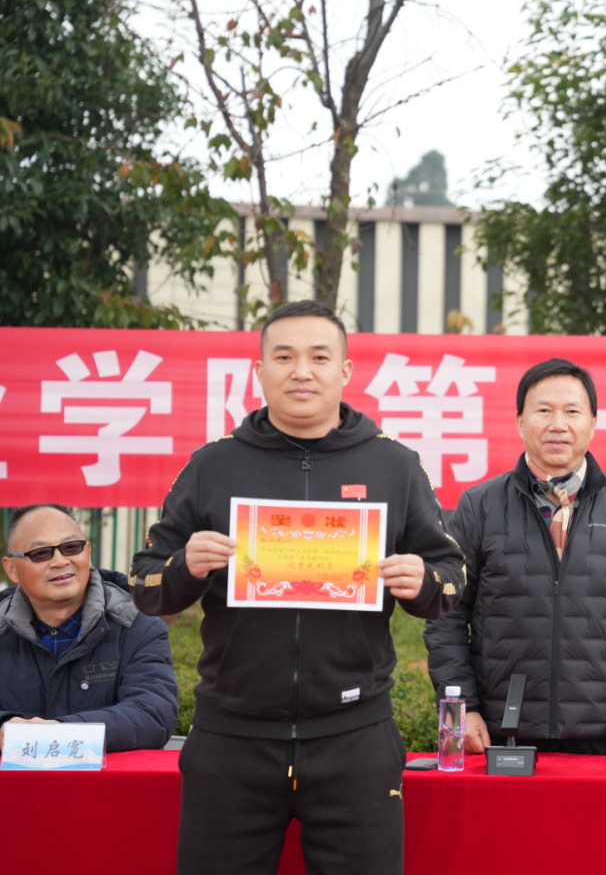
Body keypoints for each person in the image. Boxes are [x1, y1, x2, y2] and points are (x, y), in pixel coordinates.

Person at [129, 300, 465, 875]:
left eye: (319, 357)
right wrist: (186, 566)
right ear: (260, 371)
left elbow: (452, 580)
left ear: (345, 370)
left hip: (355, 736)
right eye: (284, 357)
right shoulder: (213, 466)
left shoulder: (395, 465)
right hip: (231, 737)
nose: (301, 371)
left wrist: (422, 581)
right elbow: (144, 583)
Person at [425, 358, 606, 756]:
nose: (558, 424)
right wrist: (462, 710)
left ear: (593, 423)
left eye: (572, 412)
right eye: (543, 410)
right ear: (520, 421)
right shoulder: (479, 506)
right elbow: (446, 617)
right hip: (497, 732)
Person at [0, 503, 178, 751]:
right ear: (11, 569)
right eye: (40, 553)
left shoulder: (139, 626)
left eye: (71, 547)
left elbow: (152, 714)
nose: (60, 561)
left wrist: (61, 731)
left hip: (105, 778)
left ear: (88, 552)